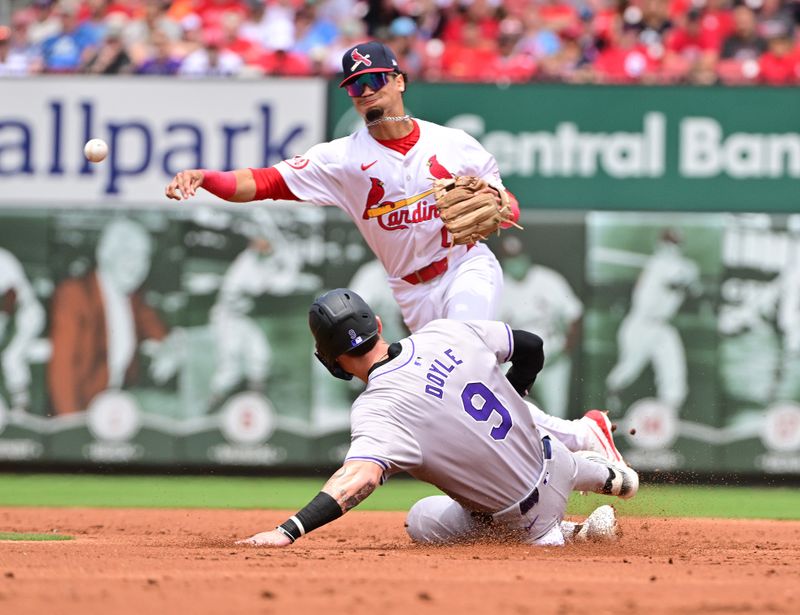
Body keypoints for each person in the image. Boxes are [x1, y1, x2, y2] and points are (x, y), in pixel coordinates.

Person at [166, 40, 617, 459]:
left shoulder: (453, 144)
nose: (365, 91)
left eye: (374, 79)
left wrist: (499, 203)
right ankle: (581, 435)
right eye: (355, 86)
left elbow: (507, 204)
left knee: (465, 366)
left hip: (463, 266)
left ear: (399, 81)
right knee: (461, 390)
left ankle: (567, 447)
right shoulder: (341, 160)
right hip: (410, 291)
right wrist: (207, 177)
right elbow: (265, 182)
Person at [237, 289, 638, 547]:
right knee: (542, 447)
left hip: (523, 522)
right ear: (377, 325)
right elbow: (531, 345)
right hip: (558, 460)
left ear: (331, 360)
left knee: (420, 520)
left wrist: (289, 530)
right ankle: (610, 477)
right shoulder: (444, 332)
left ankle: (565, 534)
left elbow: (360, 478)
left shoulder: (376, 408)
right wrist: (515, 392)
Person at [48, 218, 180, 415]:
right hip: (83, 410)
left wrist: (170, 351)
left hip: (117, 403)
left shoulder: (132, 296)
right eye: (129, 254)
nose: (138, 265)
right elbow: (62, 370)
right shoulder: (75, 295)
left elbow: (159, 331)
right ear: (105, 255)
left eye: (144, 257)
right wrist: (70, 427)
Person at [606, 229, 701, 412]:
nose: (670, 247)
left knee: (674, 371)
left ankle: (669, 411)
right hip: (641, 324)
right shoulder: (658, 264)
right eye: (667, 243)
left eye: (674, 243)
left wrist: (690, 276)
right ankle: (612, 397)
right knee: (628, 369)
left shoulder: (677, 265)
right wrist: (690, 276)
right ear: (660, 244)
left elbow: (694, 290)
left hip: (662, 326)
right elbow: (677, 282)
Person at [498, 236, 583, 418]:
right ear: (504, 261)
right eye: (510, 259)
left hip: (553, 359)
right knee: (504, 407)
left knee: (557, 413)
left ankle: (557, 447)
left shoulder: (549, 280)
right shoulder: (498, 287)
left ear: (527, 256)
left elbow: (574, 316)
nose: (516, 263)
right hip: (515, 362)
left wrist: (565, 351)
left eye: (518, 257)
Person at [0, 248, 45, 412]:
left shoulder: (2, 258)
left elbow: (11, 296)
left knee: (11, 358)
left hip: (27, 315)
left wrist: (3, 325)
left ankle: (22, 406)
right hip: (14, 315)